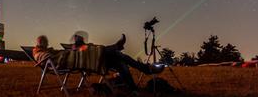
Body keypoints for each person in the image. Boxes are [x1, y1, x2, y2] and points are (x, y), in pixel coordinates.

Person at [33, 35, 163, 92]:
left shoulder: (48, 50)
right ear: (39, 43)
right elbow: (53, 59)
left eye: (45, 41)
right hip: (70, 61)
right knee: (117, 56)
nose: (45, 43)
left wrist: (75, 49)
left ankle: (135, 87)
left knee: (119, 58)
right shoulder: (39, 53)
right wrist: (68, 53)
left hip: (78, 57)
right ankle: (143, 71)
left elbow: (60, 53)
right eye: (43, 42)